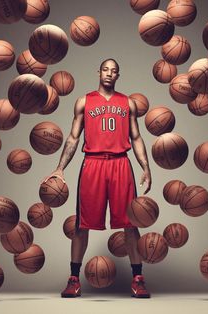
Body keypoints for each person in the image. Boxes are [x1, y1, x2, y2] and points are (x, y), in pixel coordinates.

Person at [45, 58, 152, 298]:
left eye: (114, 71)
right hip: (92, 164)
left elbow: (136, 137)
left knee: (130, 223)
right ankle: (74, 278)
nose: (109, 74)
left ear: (118, 75)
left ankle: (138, 278)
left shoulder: (127, 103)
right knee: (82, 225)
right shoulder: (84, 101)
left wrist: (146, 167)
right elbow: (73, 137)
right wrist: (60, 168)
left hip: (120, 163)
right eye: (105, 69)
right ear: (99, 72)